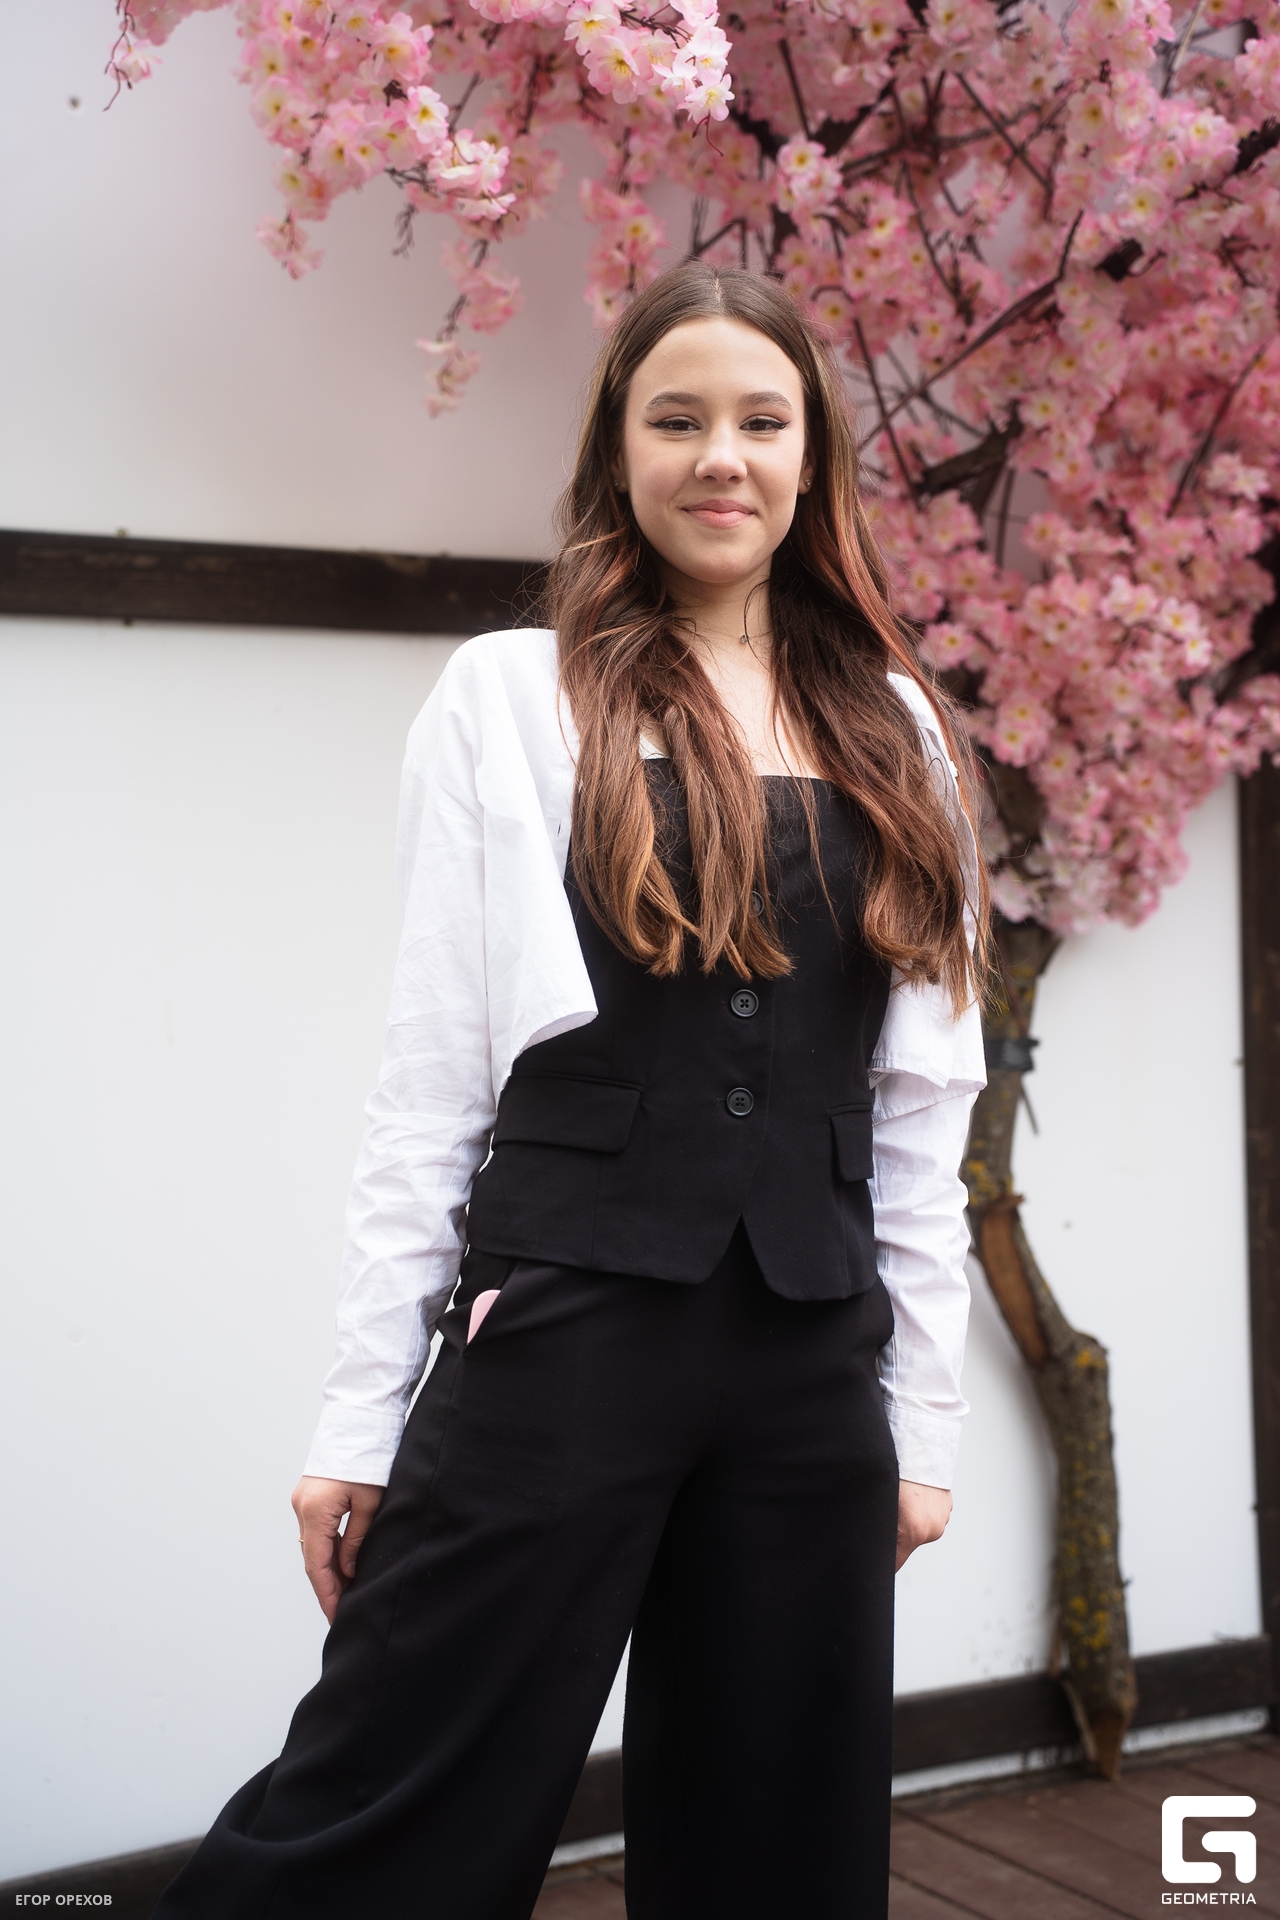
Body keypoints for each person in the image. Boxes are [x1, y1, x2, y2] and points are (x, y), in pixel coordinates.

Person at [154, 260, 988, 1920]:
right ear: (619, 449)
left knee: (783, 1840)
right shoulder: (514, 695)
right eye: (676, 419)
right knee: (384, 1811)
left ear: (812, 457)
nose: (720, 457)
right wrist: (357, 1417)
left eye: (761, 421)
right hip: (561, 1330)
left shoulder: (896, 726)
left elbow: (918, 1110)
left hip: (812, 1358)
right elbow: (433, 1081)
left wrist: (925, 1420)